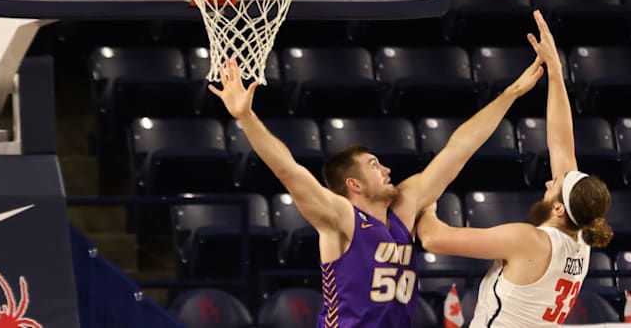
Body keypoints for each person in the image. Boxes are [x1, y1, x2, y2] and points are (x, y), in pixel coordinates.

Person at [208, 55, 544, 328]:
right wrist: (246, 117)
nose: (386, 170)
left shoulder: (404, 207)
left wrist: (510, 93)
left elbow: (459, 149)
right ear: (353, 185)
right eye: (373, 165)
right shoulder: (340, 217)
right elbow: (288, 170)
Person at [417, 10, 614, 327]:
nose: (551, 180)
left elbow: (433, 239)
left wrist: (425, 199)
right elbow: (562, 144)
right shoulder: (582, 238)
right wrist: (555, 71)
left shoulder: (529, 241)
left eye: (556, 184)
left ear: (560, 208)